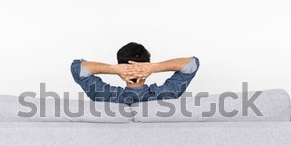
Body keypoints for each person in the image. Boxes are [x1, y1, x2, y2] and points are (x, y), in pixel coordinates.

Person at [70, 42, 199, 105]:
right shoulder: (165, 95)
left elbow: (78, 68)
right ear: (147, 63)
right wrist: (155, 67)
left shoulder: (106, 97)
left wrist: (114, 69)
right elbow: (191, 65)